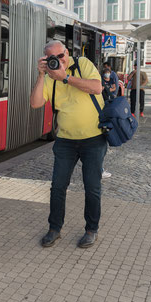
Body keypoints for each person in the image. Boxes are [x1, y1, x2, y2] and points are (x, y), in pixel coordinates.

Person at [30, 40, 107, 249]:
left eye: (61, 56)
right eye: (52, 59)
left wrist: (65, 77)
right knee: (57, 187)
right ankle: (54, 229)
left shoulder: (83, 64)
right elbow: (36, 103)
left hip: (94, 138)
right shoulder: (48, 77)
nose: (59, 61)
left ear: (67, 53)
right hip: (65, 141)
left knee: (92, 187)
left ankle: (91, 229)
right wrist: (40, 75)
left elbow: (97, 87)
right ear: (46, 60)